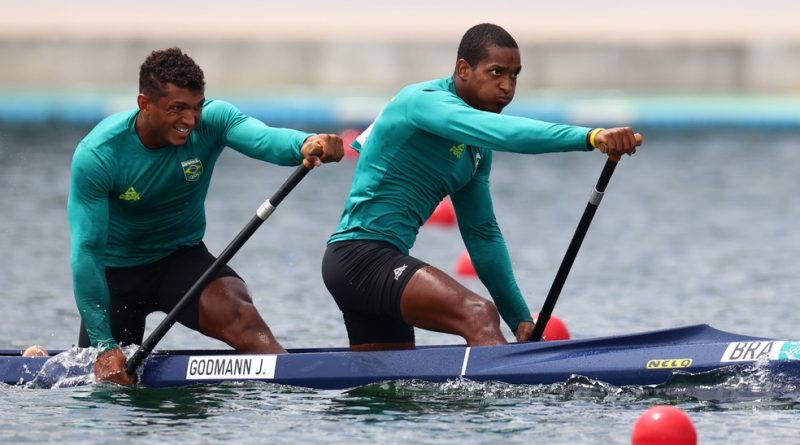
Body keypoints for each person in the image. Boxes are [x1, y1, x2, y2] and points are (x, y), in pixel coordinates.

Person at [321, 23, 640, 351]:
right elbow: (504, 132)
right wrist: (590, 137)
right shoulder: (424, 102)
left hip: (382, 263)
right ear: (463, 70)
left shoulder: (474, 151)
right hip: (359, 258)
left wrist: (518, 318)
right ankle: (511, 399)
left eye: (514, 76)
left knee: (385, 392)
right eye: (496, 73)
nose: (507, 87)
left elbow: (482, 234)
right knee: (479, 314)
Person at [68, 48, 343, 385]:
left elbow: (264, 138)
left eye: (196, 107)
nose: (190, 120)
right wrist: (103, 346)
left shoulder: (214, 121)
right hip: (116, 279)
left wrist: (306, 142)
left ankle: (298, 387)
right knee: (103, 388)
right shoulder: (99, 155)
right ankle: (46, 357)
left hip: (180, 261)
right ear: (144, 104)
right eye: (177, 109)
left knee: (243, 319)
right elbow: (87, 253)